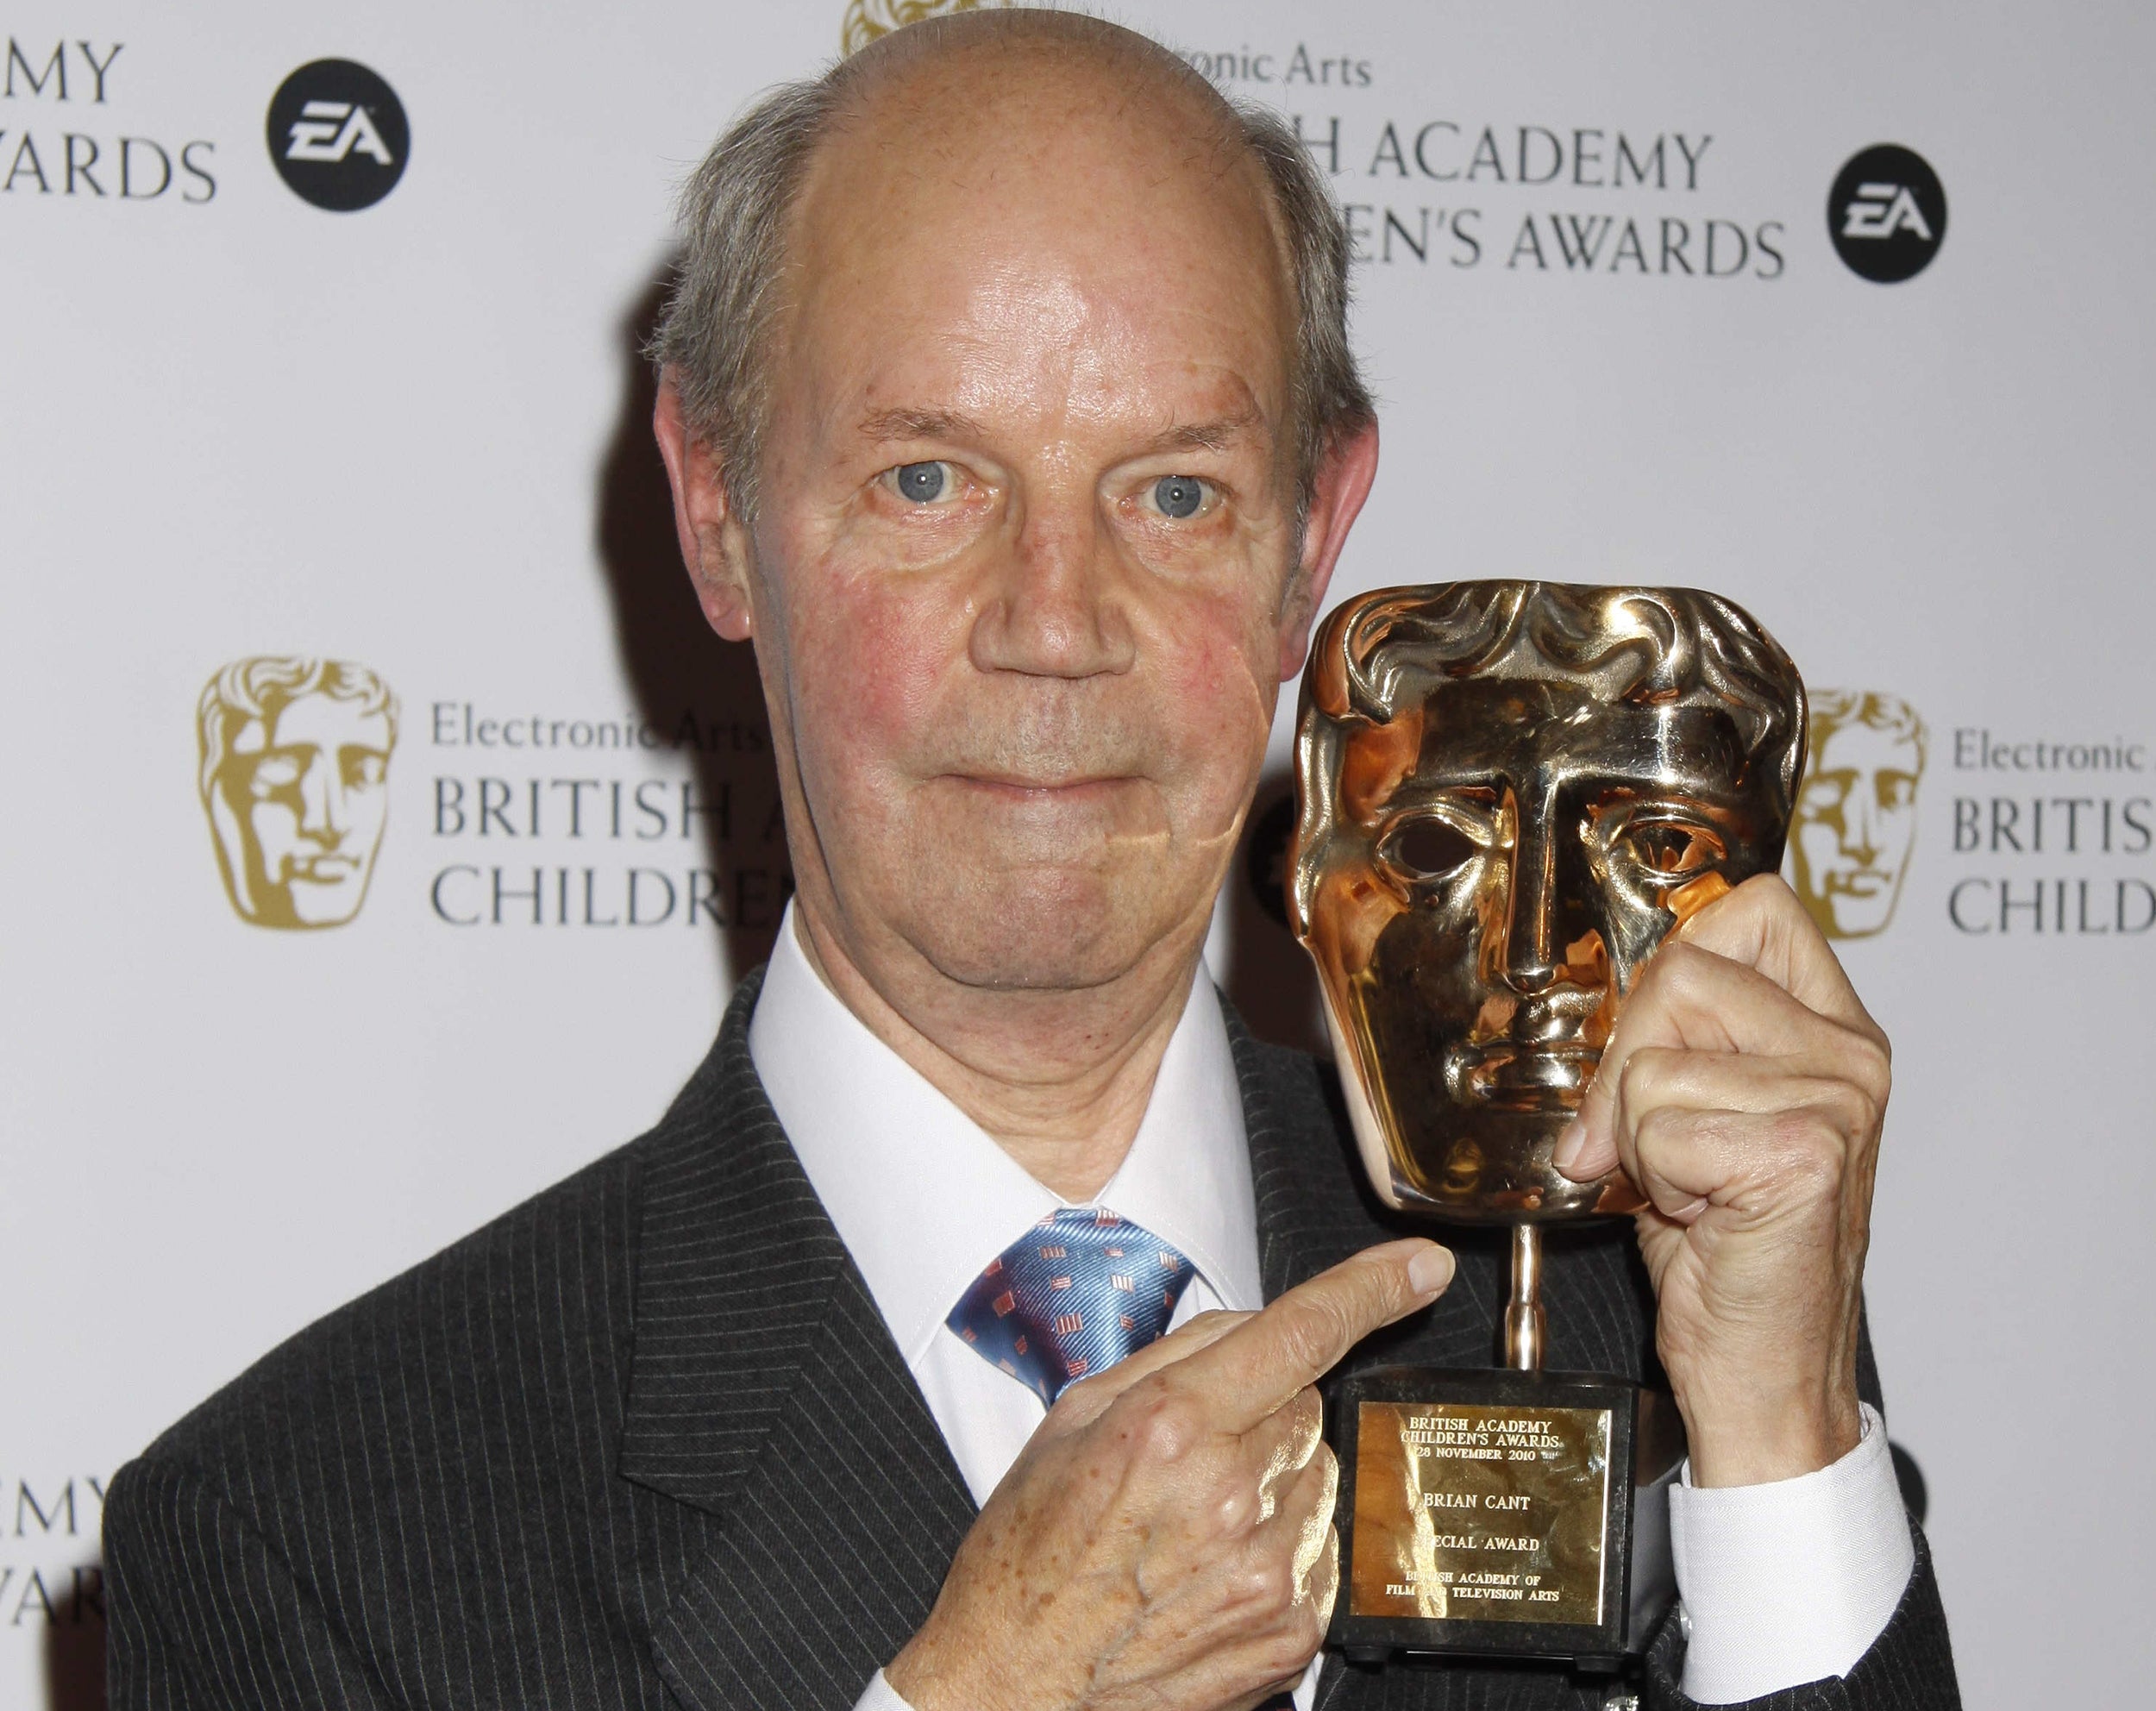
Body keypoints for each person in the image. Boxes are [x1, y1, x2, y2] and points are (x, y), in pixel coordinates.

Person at [105, 13, 1958, 1710]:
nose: (1053, 625)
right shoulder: (312, 1532)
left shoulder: (1657, 1313)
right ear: (715, 512)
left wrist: (1784, 1432)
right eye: (928, 481)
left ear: (1309, 540)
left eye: (1171, 492)